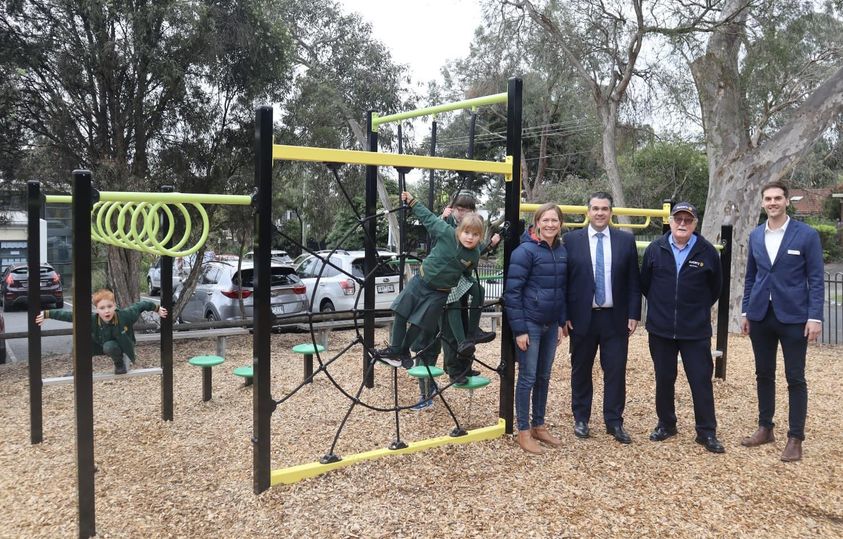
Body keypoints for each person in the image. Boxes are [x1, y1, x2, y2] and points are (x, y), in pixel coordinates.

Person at [740, 180, 824, 462]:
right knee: (763, 373)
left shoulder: (806, 235)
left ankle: (795, 438)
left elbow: (815, 278)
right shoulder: (755, 235)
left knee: (795, 377)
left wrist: (815, 317)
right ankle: (765, 427)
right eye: (768, 199)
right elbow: (751, 276)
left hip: (794, 317)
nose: (773, 203)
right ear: (762, 203)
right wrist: (745, 312)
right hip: (761, 315)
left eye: (777, 198)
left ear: (787, 201)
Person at [640, 202, 725, 454]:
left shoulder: (707, 252)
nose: (682, 224)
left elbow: (715, 288)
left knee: (700, 381)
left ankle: (706, 432)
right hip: (661, 329)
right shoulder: (656, 249)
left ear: (695, 224)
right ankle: (666, 424)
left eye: (688, 220)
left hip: (695, 330)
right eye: (678, 219)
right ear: (670, 221)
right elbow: (646, 284)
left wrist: (694, 310)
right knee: (664, 378)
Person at [563, 192, 641, 444]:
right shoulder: (571, 240)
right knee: (581, 370)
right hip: (582, 318)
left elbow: (633, 280)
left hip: (615, 318)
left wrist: (633, 313)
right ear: (588, 211)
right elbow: (564, 282)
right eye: (595, 208)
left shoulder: (625, 240)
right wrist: (564, 315)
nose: (599, 213)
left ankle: (614, 422)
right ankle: (581, 418)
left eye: (604, 208)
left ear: (611, 212)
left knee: (616, 371)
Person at [410, 193, 500, 410]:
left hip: (456, 291)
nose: (463, 213)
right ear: (454, 209)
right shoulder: (448, 225)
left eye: (467, 209)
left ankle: (459, 370)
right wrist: (442, 217)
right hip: (438, 291)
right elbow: (436, 241)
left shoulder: (472, 230)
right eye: (460, 209)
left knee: (455, 336)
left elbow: (473, 254)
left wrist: (491, 245)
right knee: (428, 341)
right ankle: (426, 392)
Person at [376, 192, 484, 372]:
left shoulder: (474, 255)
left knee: (419, 323)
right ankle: (396, 350)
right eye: (466, 232)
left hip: (440, 292)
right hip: (421, 281)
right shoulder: (447, 233)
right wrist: (412, 201)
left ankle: (403, 351)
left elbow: (467, 272)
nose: (469, 237)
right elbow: (427, 217)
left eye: (475, 235)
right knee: (401, 312)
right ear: (459, 231)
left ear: (480, 237)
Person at [504, 203, 568, 454]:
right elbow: (512, 293)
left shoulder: (562, 251)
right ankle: (523, 430)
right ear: (537, 223)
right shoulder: (525, 252)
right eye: (546, 220)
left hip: (551, 325)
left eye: (555, 220)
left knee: (543, 376)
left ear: (560, 224)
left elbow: (562, 289)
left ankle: (539, 425)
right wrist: (519, 329)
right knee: (528, 377)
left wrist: (562, 322)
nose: (550, 224)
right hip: (530, 323)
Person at [35, 288, 168, 374]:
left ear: (115, 306)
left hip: (119, 345)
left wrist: (156, 308)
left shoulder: (125, 315)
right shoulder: (92, 319)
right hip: (100, 344)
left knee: (109, 346)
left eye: (110, 306)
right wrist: (47, 314)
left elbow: (140, 305)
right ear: (97, 310)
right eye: (102, 308)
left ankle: (119, 364)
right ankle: (78, 370)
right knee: (79, 346)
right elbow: (69, 315)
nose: (107, 311)